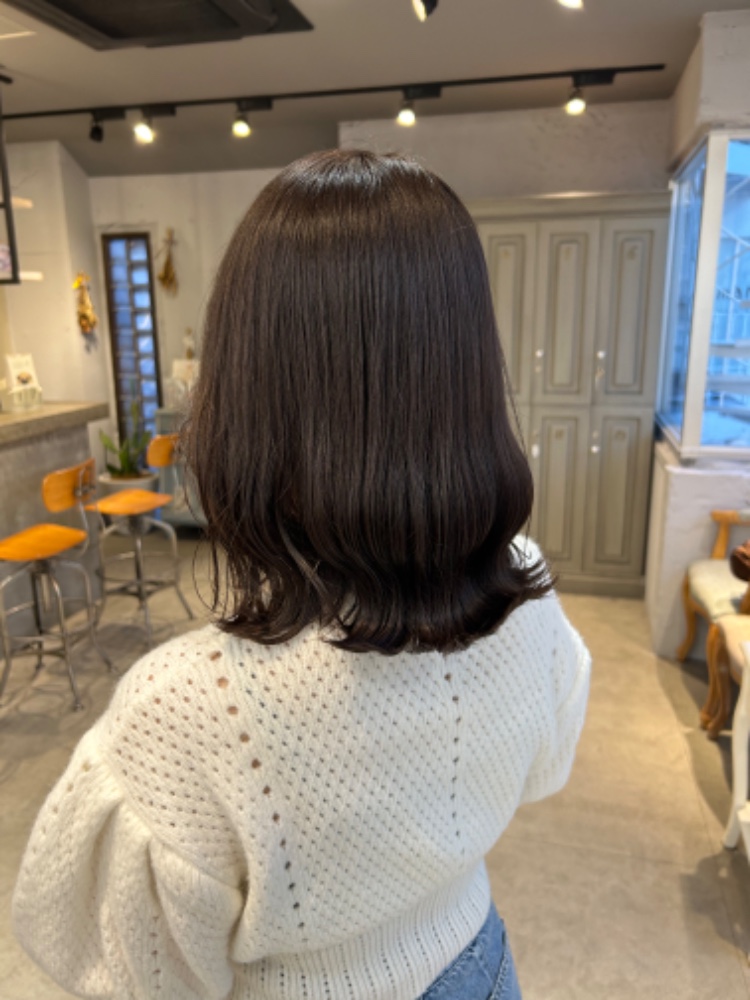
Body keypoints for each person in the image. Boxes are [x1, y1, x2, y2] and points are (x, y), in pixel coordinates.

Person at [13, 149, 590, 1000]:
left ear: (243, 393)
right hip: (481, 962)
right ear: (465, 370)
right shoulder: (523, 587)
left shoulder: (185, 710)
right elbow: (544, 768)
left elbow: (138, 978)